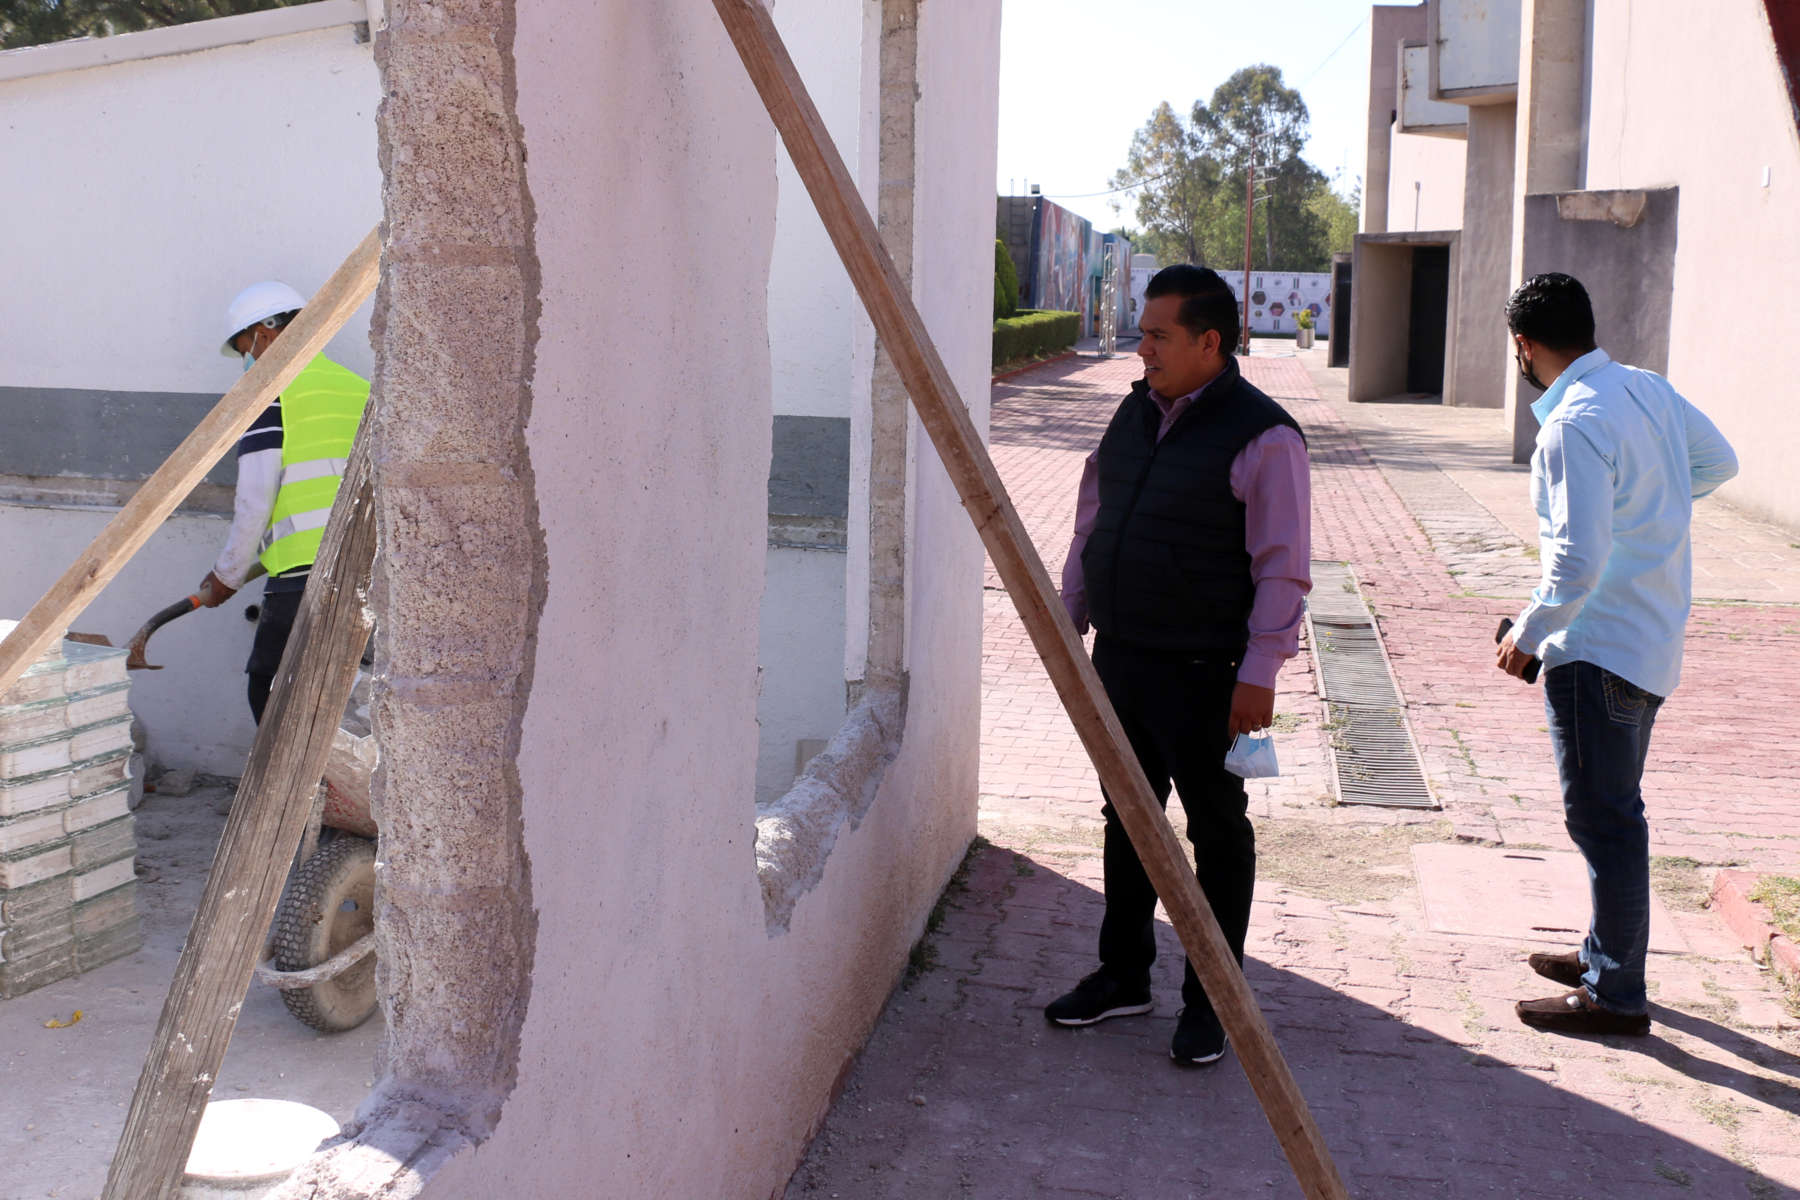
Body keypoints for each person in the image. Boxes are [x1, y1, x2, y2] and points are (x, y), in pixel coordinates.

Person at [1046, 264, 1312, 1066]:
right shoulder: (1131, 414)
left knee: (1218, 834)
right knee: (1128, 818)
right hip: (1120, 660)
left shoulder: (1266, 435)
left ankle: (1214, 1002)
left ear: (1210, 342)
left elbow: (1284, 566)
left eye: (1158, 335)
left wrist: (1260, 671)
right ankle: (1124, 974)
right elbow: (1093, 522)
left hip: (1210, 675)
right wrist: (1070, 625)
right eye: (1142, 331)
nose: (1143, 347)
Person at [1497, 273, 1737, 1036]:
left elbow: (1577, 559)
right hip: (1651, 635)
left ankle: (1614, 992)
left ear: (1524, 345)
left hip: (1596, 646)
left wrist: (1526, 634)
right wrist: (1652, 505)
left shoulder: (1573, 420)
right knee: (1614, 815)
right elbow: (1718, 462)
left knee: (1607, 823)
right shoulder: (1645, 390)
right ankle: (1608, 955)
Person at [196, 280, 371, 723]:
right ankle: (342, 790)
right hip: (368, 572)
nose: (247, 360)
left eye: (245, 348)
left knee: (270, 692)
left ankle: (301, 795)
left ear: (267, 334)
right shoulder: (358, 388)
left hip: (302, 578)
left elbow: (254, 500)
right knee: (351, 698)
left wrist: (227, 575)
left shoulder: (271, 398)